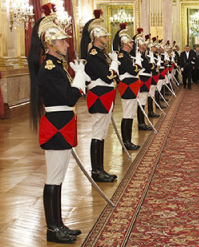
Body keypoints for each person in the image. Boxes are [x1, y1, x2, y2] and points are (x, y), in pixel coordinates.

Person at [28, 4, 86, 243]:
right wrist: (80, 79)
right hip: (56, 125)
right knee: (53, 176)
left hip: (62, 121)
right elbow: (70, 97)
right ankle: (52, 229)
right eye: (62, 41)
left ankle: (59, 223)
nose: (67, 44)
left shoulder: (57, 67)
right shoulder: (50, 69)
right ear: (50, 45)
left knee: (59, 176)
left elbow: (69, 97)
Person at [80, 10, 118, 182]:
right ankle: (96, 171)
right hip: (99, 97)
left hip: (105, 96)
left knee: (102, 133)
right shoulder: (94, 56)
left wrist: (113, 70)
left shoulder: (101, 54)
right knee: (97, 133)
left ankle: (100, 168)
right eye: (103, 37)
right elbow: (107, 75)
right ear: (96, 37)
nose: (106, 39)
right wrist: (114, 68)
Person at [113, 24, 142, 150]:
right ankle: (126, 141)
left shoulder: (127, 56)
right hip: (128, 87)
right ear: (125, 43)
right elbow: (132, 70)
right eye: (130, 42)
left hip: (131, 87)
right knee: (127, 114)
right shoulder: (122, 56)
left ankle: (128, 140)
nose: (132, 43)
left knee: (130, 114)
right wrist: (137, 66)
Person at [134, 30, 155, 130]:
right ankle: (141, 123)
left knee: (143, 101)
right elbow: (147, 67)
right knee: (141, 101)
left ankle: (142, 122)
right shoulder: (138, 55)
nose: (146, 46)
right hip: (142, 78)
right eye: (143, 44)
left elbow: (149, 66)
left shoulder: (144, 55)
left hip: (146, 78)